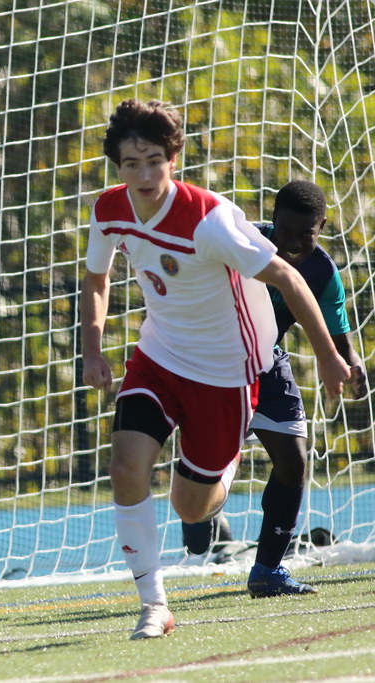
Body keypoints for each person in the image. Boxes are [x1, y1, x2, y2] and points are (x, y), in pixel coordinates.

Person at [80, 99, 350, 640]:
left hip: (226, 374)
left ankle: (221, 470)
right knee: (125, 468)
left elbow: (290, 280)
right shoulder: (109, 209)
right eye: (131, 163)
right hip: (157, 358)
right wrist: (92, 347)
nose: (144, 174)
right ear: (116, 165)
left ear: (173, 157)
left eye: (154, 159)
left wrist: (327, 356)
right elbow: (96, 278)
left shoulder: (210, 218)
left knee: (190, 505)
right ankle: (154, 605)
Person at [181, 180, 367, 595]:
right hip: (214, 364)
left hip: (267, 363)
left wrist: (352, 367)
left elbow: (337, 335)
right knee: (208, 477)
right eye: (286, 231)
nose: (295, 242)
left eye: (307, 233)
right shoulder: (243, 241)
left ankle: (267, 570)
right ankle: (199, 513)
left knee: (294, 461)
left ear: (321, 226)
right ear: (272, 221)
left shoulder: (322, 272)